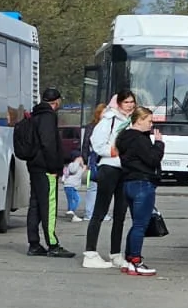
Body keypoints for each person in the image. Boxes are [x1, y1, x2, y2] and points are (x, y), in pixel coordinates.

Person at [81, 88, 136, 269]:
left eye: (132, 102)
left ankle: (115, 253)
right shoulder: (109, 119)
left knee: (120, 214)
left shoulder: (132, 121)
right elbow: (96, 142)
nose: (130, 105)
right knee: (100, 211)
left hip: (125, 171)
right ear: (119, 103)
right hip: (109, 169)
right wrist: (112, 152)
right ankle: (90, 253)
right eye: (126, 102)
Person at [116, 105, 166, 276]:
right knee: (140, 225)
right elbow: (152, 159)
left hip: (128, 183)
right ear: (138, 120)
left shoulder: (124, 137)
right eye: (149, 121)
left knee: (136, 223)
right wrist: (159, 144)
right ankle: (136, 260)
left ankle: (130, 260)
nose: (151, 125)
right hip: (143, 184)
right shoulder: (139, 140)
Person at [25, 86, 75, 257]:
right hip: (46, 168)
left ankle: (33, 243)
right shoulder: (48, 116)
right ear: (57, 101)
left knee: (35, 205)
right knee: (49, 205)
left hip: (34, 166)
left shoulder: (35, 115)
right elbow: (49, 144)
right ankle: (53, 244)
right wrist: (55, 167)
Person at [60, 153, 86, 221]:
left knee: (73, 200)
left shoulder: (78, 166)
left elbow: (79, 174)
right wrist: (77, 162)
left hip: (72, 186)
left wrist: (83, 167)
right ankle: (71, 212)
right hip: (70, 186)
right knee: (76, 199)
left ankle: (71, 215)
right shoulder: (72, 164)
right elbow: (73, 170)